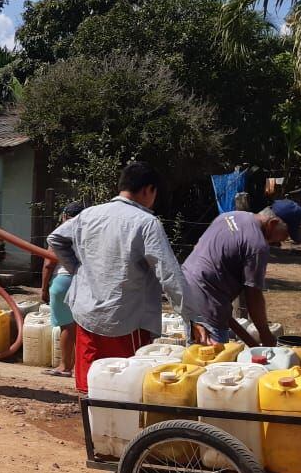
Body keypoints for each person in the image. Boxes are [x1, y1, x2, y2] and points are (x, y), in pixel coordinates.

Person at [48, 162, 197, 395]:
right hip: (127, 318)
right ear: (148, 190)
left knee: (91, 387)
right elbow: (169, 274)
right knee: (123, 389)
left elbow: (56, 238)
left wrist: (78, 269)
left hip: (87, 315)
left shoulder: (89, 215)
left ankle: (92, 428)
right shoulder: (146, 223)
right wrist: (192, 317)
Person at [181, 201, 301, 346]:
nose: (284, 240)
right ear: (273, 223)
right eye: (286, 234)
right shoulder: (257, 246)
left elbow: (202, 253)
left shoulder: (230, 216)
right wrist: (266, 337)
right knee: (213, 363)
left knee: (196, 357)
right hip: (207, 304)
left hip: (186, 288)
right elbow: (253, 296)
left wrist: (253, 344)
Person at [40, 202, 84, 377]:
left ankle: (65, 366)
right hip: (83, 282)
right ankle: (82, 367)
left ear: (65, 216)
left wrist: (43, 288)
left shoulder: (61, 232)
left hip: (62, 280)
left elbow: (49, 263)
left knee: (66, 326)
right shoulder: (89, 233)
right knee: (82, 326)